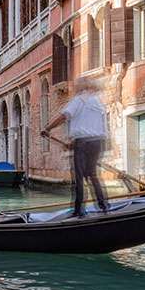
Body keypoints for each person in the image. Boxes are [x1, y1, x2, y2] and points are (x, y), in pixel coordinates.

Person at [41, 76, 110, 218]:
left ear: (81, 87)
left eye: (77, 85)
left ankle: (79, 210)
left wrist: (47, 128)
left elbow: (64, 116)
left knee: (78, 177)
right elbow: (91, 125)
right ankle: (103, 206)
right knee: (92, 174)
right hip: (97, 142)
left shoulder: (79, 100)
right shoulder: (97, 102)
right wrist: (73, 142)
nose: (74, 87)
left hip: (83, 143)